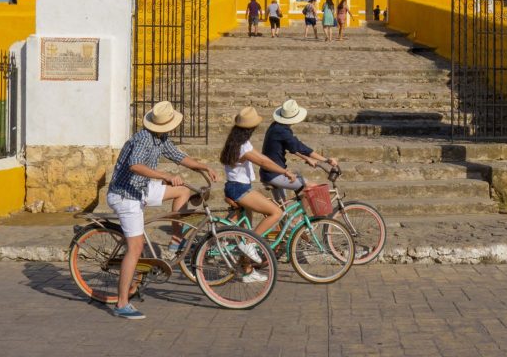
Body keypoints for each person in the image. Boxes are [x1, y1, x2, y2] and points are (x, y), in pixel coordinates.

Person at [105, 101, 218, 320]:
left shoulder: (161, 138)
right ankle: (121, 303)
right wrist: (165, 176)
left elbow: (179, 156)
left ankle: (176, 239)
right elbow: (135, 165)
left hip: (142, 189)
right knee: (136, 248)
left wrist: (203, 167)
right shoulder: (142, 139)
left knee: (183, 190)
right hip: (125, 195)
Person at [220, 107, 293, 266]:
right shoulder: (242, 147)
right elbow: (263, 162)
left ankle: (246, 271)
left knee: (245, 230)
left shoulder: (237, 142)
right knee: (276, 212)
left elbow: (261, 157)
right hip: (239, 189)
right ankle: (249, 244)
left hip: (237, 187)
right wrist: (285, 172)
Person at [260, 99, 338, 200]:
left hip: (270, 171)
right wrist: (326, 160)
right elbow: (301, 148)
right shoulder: (283, 132)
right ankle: (299, 217)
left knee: (282, 210)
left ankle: (289, 215)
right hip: (274, 174)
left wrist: (307, 158)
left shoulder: (276, 126)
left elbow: (292, 147)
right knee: (312, 188)